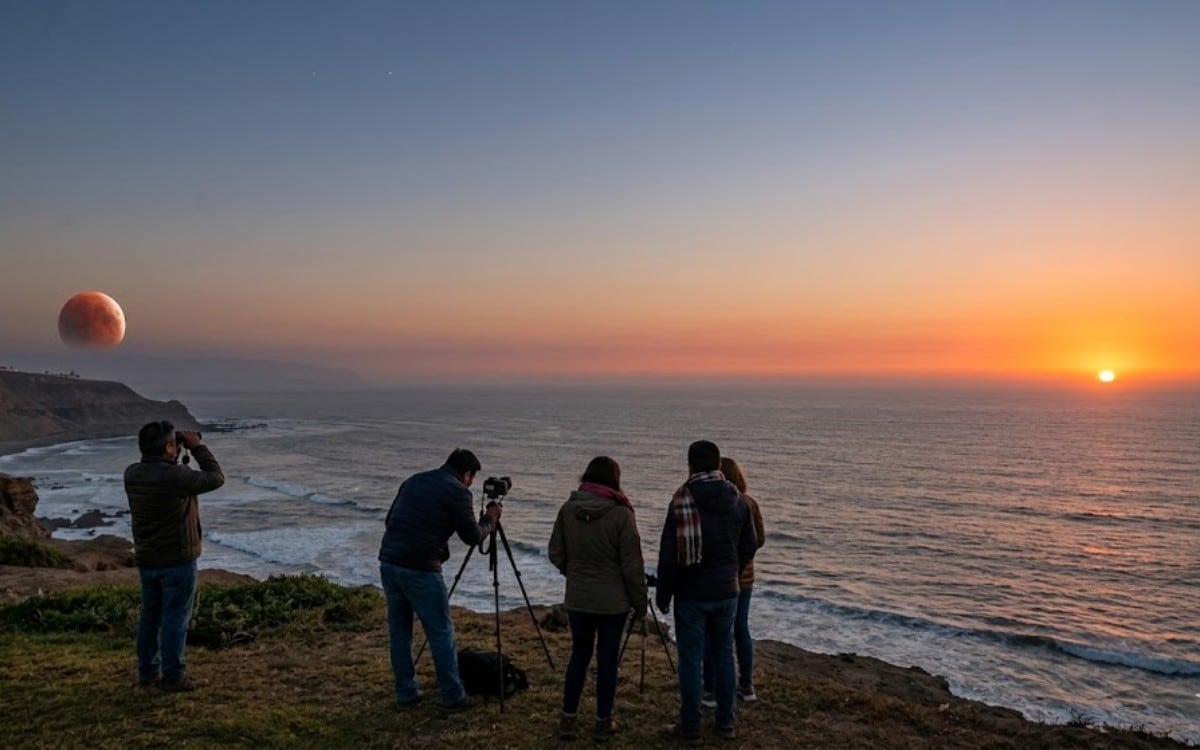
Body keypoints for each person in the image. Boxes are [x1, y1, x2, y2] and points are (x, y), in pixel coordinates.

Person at [378, 448, 502, 713]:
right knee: (440, 632)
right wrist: (490, 520)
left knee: (400, 632)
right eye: (471, 478)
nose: (470, 484)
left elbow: (390, 520)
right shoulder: (458, 491)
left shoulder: (414, 480)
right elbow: (472, 536)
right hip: (420, 568)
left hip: (389, 561)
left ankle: (406, 692)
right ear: (467, 474)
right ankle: (452, 695)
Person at [655, 440, 757, 745]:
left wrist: (663, 594)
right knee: (725, 654)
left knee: (691, 659)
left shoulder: (682, 498)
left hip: (692, 593)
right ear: (717, 466)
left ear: (690, 465)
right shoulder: (737, 499)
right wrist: (733, 571)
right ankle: (726, 723)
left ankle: (691, 727)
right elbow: (749, 543)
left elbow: (668, 554)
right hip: (727, 591)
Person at [548, 456, 647, 742]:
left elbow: (555, 551)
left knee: (579, 655)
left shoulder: (568, 509)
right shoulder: (621, 514)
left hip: (578, 599)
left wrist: (574, 573)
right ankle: (603, 721)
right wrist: (640, 604)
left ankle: (568, 718)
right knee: (607, 660)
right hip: (613, 603)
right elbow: (632, 566)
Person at [124, 420, 225, 693]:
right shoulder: (176, 477)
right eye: (173, 442)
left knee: (151, 616)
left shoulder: (132, 473)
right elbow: (216, 477)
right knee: (175, 618)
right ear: (169, 447)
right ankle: (174, 677)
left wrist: (176, 454)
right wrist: (198, 447)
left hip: (148, 558)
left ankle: (147, 673)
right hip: (177, 560)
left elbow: (165, 474)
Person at [702, 457, 766, 705]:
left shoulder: (709, 503)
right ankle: (746, 685)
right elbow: (759, 539)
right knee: (741, 628)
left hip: (718, 576)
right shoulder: (749, 503)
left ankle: (710, 687)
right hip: (745, 577)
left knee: (713, 631)